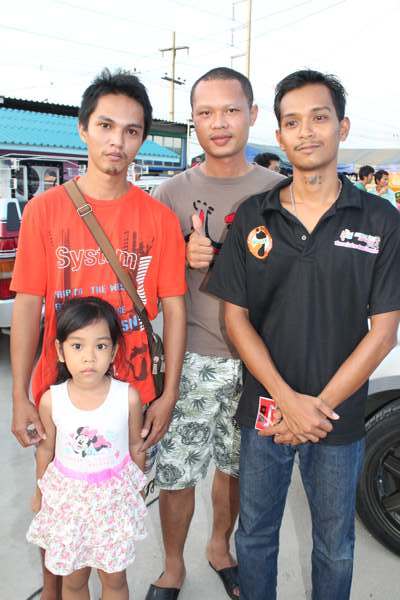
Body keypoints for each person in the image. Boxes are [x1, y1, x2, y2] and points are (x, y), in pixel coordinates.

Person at [207, 69, 400, 600]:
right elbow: (235, 319)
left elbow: (384, 332)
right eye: (292, 122)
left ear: (342, 126)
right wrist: (288, 402)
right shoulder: (254, 216)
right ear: (279, 134)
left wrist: (317, 409)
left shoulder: (381, 220)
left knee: (334, 545)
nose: (306, 131)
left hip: (338, 416)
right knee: (255, 535)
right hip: (265, 412)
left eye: (319, 118)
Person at [10, 68, 186, 600]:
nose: (118, 141)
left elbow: (174, 310)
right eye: (106, 126)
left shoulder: (158, 219)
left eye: (132, 131)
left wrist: (168, 394)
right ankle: (53, 590)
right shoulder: (44, 211)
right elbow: (28, 306)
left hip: (131, 392)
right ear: (83, 128)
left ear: (142, 138)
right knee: (55, 503)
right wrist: (19, 394)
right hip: (57, 390)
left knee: (116, 515)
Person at [146, 67, 283, 600]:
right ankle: (172, 566)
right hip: (192, 358)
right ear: (193, 121)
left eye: (230, 110)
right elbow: (149, 281)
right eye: (206, 112)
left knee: (237, 468)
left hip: (259, 361)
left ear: (252, 115)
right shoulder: (169, 193)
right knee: (177, 470)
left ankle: (220, 548)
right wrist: (181, 257)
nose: (219, 122)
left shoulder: (278, 191)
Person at [27, 297, 147, 599]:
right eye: (78, 346)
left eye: (101, 346)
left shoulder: (127, 398)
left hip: (112, 506)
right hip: (70, 507)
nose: (89, 357)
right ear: (60, 351)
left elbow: (136, 446)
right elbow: (45, 451)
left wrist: (137, 491)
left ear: (114, 351)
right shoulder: (52, 401)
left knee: (115, 580)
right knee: (74, 581)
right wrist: (41, 493)